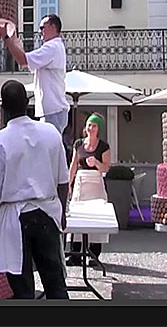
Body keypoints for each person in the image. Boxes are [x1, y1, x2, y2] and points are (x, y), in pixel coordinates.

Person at [0, 80, 70, 299]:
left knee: (22, 286)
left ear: (4, 109)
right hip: (47, 213)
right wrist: (62, 212)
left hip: (15, 219)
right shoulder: (51, 133)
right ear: (27, 102)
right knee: (55, 281)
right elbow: (63, 181)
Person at [0, 15, 69, 134]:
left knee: (48, 149)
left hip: (53, 111)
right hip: (54, 110)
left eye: (42, 27)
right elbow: (26, 60)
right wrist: (14, 40)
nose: (40, 31)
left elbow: (23, 60)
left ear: (53, 26)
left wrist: (6, 38)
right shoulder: (55, 47)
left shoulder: (52, 47)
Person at [67, 113, 111, 266]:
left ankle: (94, 254)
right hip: (81, 182)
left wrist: (97, 163)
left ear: (99, 129)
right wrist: (68, 183)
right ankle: (75, 253)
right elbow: (73, 165)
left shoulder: (103, 147)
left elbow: (106, 168)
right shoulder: (78, 144)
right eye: (88, 125)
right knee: (77, 216)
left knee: (96, 217)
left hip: (95, 183)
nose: (90, 128)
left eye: (93, 125)